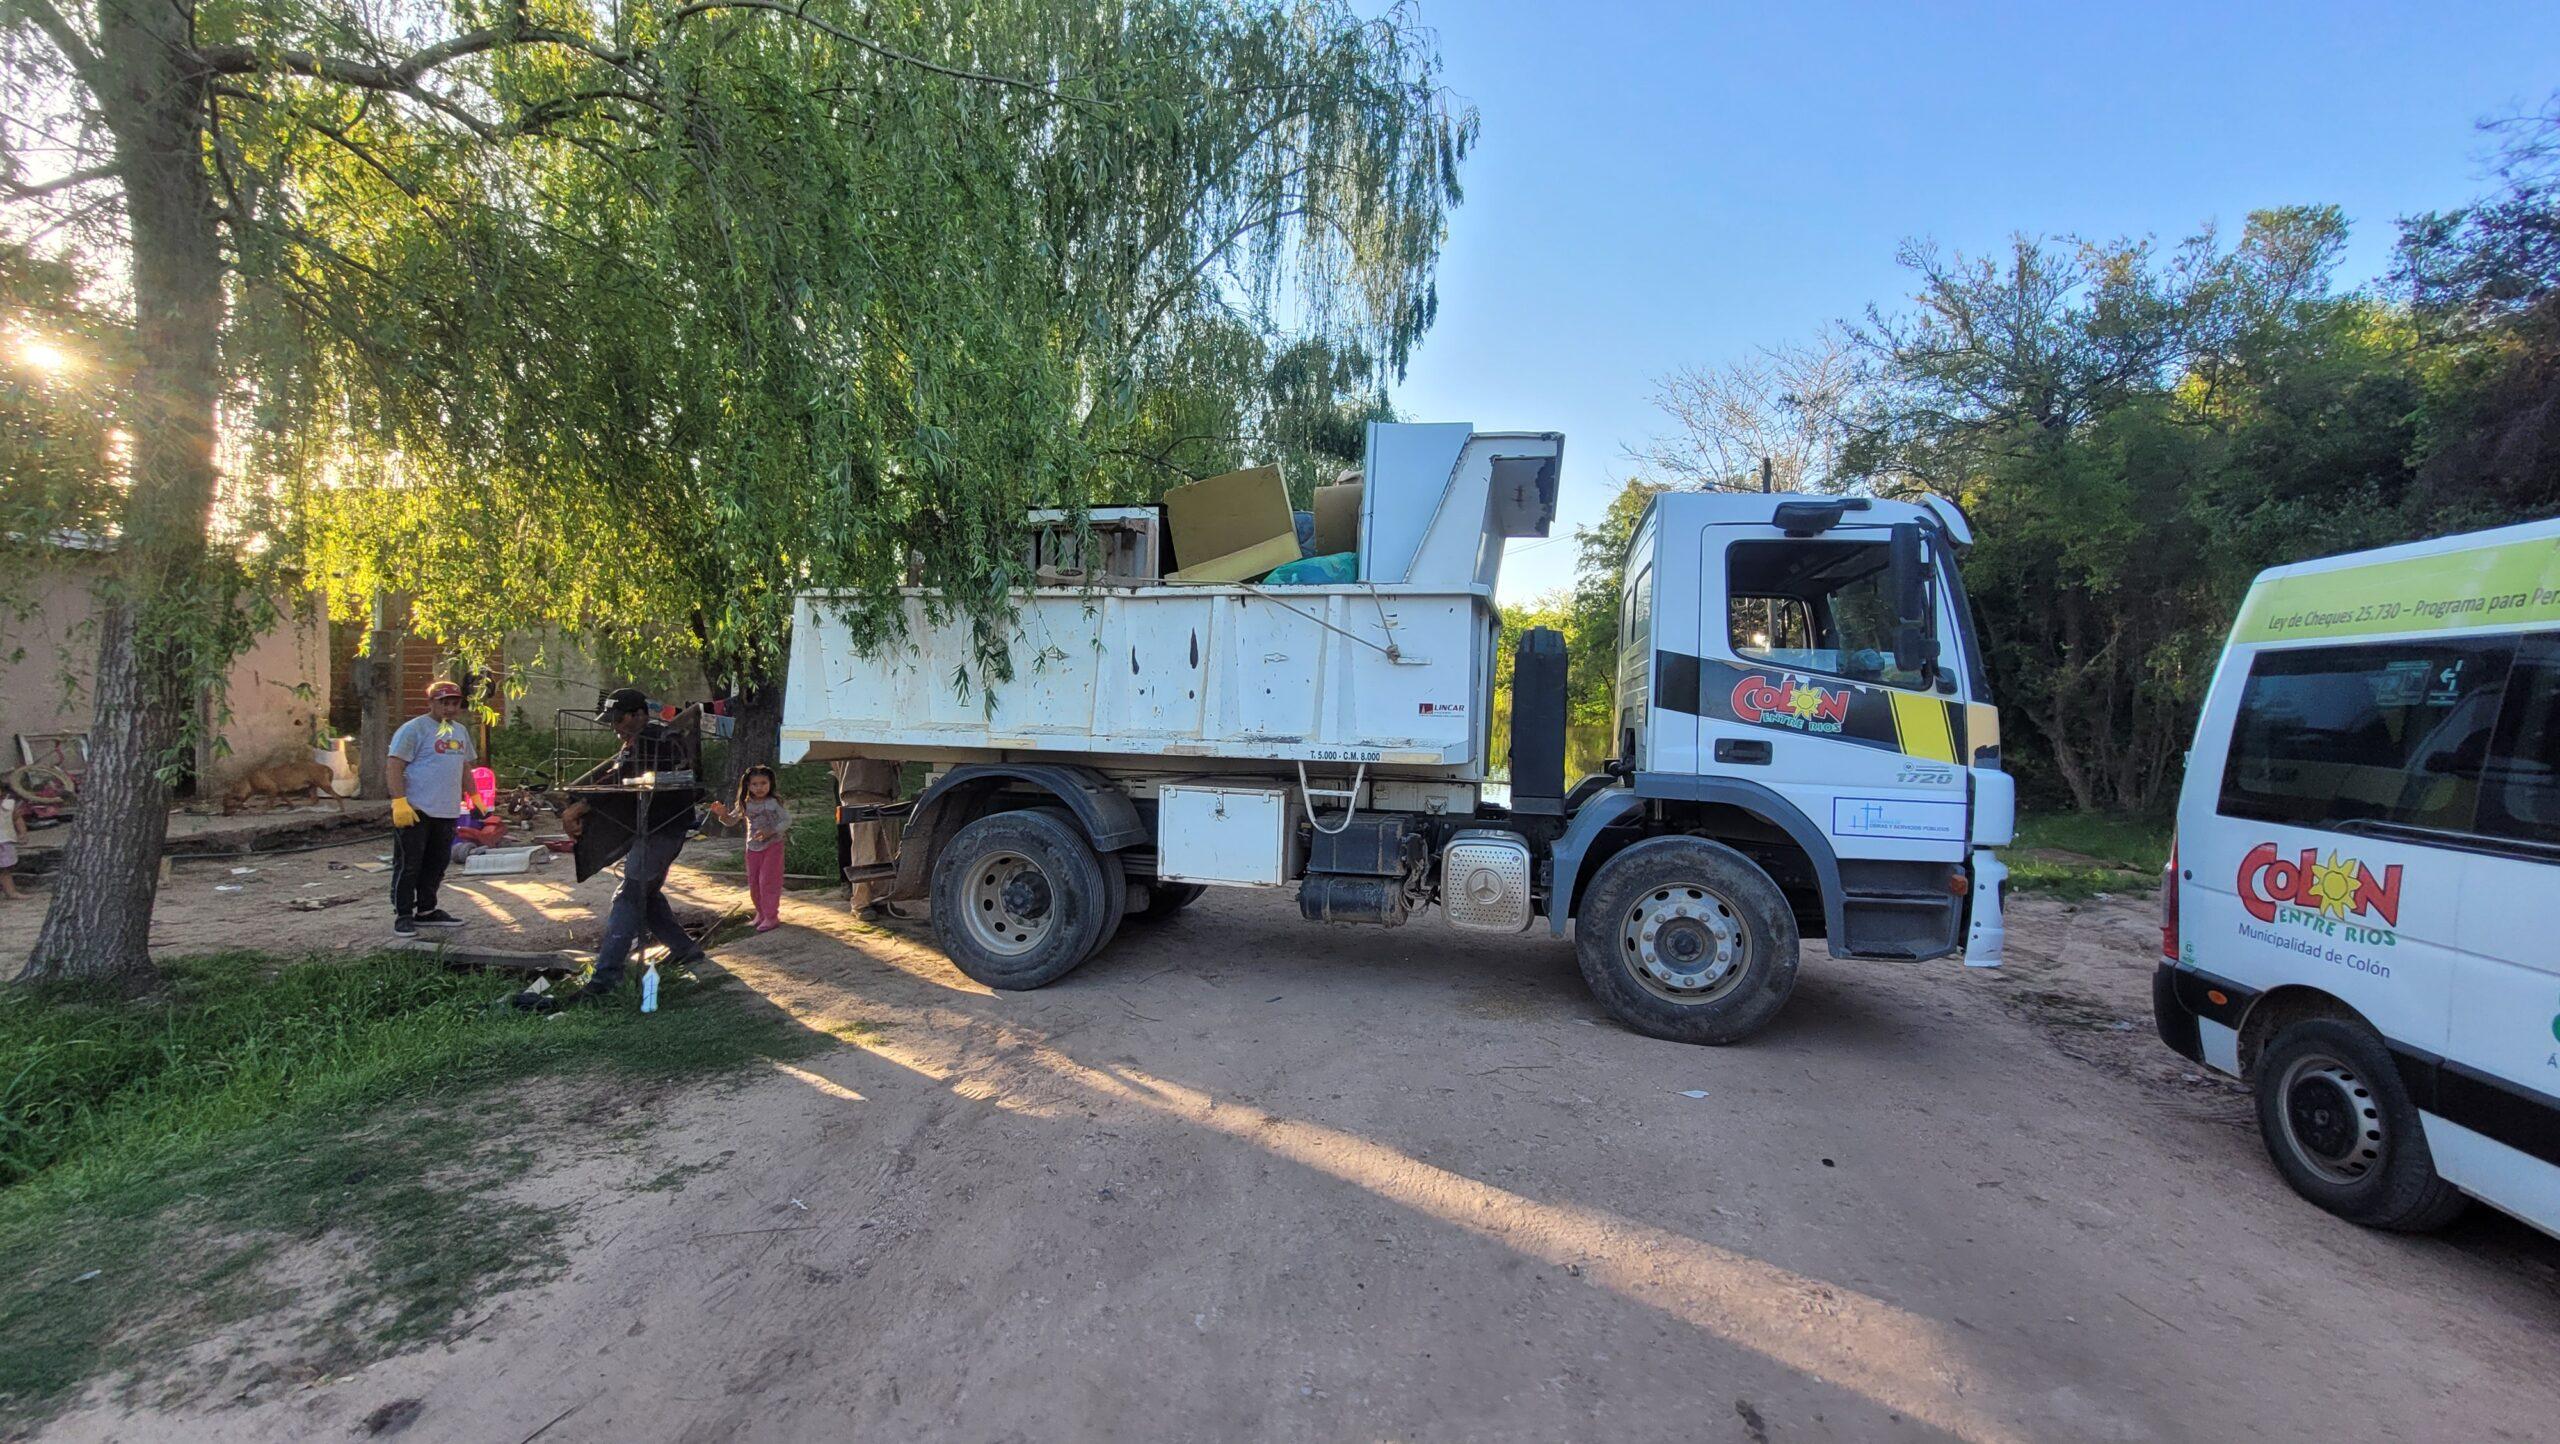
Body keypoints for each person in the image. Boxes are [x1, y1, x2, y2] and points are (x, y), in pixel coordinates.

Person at [555, 688, 708, 1003]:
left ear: (640, 714)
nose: (615, 727)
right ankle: (685, 950)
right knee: (645, 894)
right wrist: (575, 797)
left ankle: (605, 978)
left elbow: (623, 778)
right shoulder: (639, 743)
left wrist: (578, 806)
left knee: (628, 896)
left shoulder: (657, 740)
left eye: (619, 719)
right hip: (652, 829)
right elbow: (612, 774)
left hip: (662, 831)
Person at [387, 680, 475, 938]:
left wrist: (475, 797)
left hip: (446, 809)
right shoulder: (414, 729)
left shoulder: (459, 731)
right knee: (409, 864)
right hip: (417, 809)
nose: (449, 708)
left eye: (454, 703)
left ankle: (426, 910)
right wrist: (399, 801)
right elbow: (394, 765)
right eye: (443, 703)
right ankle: (403, 914)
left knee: (437, 863)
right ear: (431, 703)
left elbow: (465, 767)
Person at [707, 764, 789, 932]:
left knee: (768, 881)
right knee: (754, 882)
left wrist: (771, 831)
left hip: (773, 846)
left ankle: (771, 916)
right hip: (752, 848)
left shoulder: (773, 803)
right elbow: (731, 821)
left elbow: (787, 821)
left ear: (770, 784)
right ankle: (760, 913)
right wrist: (722, 814)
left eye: (763, 783)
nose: (759, 788)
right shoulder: (745, 804)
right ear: (747, 786)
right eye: (755, 784)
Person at [833, 757, 906, 922]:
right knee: (865, 852)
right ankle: (861, 903)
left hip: (886, 793)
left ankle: (881, 899)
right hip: (860, 790)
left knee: (887, 851)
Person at [0, 789, 23, 900]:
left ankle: (11, 892)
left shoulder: (8, 805)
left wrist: (22, 833)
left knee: (5, 869)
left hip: (5, 840)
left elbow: (17, 818)